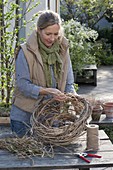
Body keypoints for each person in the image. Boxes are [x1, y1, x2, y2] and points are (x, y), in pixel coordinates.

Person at [10, 10, 78, 137]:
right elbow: (22, 84)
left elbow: (69, 83)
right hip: (25, 119)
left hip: (51, 119)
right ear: (38, 30)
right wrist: (47, 91)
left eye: (56, 34)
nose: (52, 38)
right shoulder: (25, 51)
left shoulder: (62, 49)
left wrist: (73, 97)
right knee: (27, 155)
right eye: (48, 34)